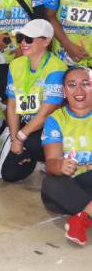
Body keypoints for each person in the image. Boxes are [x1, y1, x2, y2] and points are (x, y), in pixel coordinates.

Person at [2, 19, 67, 182]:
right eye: (20, 38)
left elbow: (45, 115)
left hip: (49, 128)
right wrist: (14, 139)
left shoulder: (57, 68)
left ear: (46, 41)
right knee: (9, 174)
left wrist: (20, 138)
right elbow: (12, 106)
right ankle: (32, 155)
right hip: (27, 128)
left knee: (32, 142)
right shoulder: (15, 65)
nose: (23, 43)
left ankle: (54, 159)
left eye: (29, 39)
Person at [40, 66, 92, 246]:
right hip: (70, 185)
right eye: (72, 85)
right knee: (50, 184)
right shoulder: (56, 119)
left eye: (86, 84)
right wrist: (60, 166)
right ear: (64, 91)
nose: (79, 90)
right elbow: (50, 164)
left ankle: (82, 217)